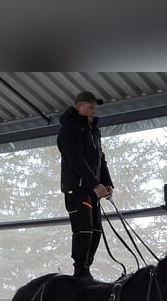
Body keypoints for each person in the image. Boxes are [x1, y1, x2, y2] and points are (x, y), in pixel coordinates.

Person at [57, 90, 115, 279]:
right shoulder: (71, 128)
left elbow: (101, 159)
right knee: (84, 229)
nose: (93, 112)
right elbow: (75, 158)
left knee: (96, 229)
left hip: (91, 189)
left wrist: (106, 183)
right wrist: (94, 183)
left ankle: (86, 267)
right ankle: (80, 270)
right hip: (78, 188)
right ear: (79, 107)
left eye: (94, 108)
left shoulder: (93, 132)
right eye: (90, 108)